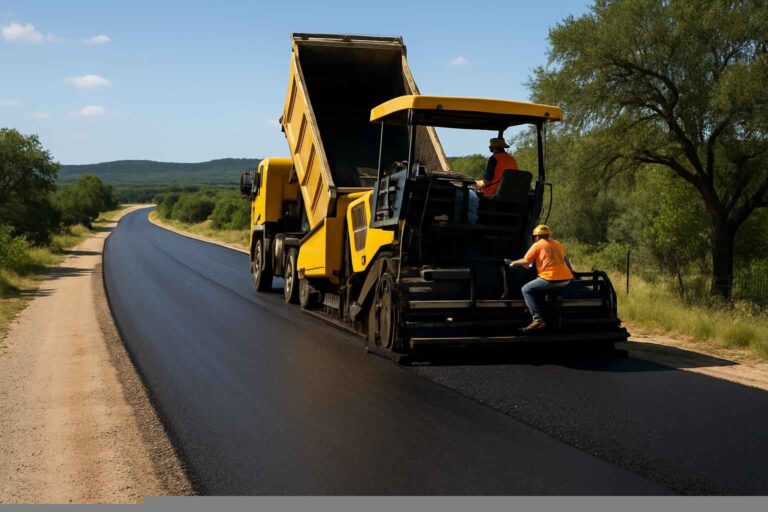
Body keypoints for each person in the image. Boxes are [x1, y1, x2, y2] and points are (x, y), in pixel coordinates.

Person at [507, 224, 574, 332]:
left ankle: (538, 319)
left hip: (551, 279)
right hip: (566, 280)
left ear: (536, 237)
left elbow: (526, 261)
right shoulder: (557, 244)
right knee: (542, 289)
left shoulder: (537, 245)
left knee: (526, 289)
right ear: (548, 235)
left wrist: (513, 263)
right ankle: (552, 315)